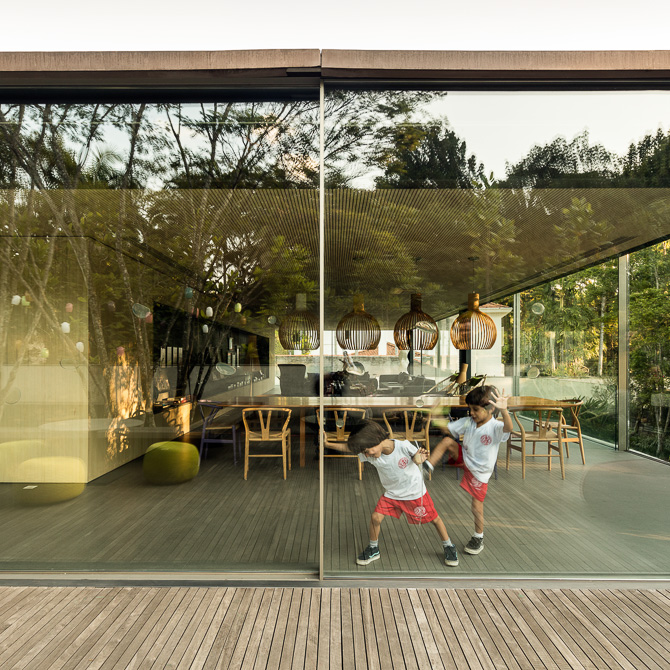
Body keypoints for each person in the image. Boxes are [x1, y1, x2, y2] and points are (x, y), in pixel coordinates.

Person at [328, 420, 459, 567]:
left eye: (366, 451)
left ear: (375, 441)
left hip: (414, 493)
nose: (366, 455)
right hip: (392, 494)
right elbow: (349, 448)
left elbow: (417, 458)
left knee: (434, 519)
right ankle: (373, 548)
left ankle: (448, 545)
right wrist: (327, 443)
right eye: (364, 452)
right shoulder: (371, 453)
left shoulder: (403, 446)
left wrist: (419, 458)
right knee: (375, 518)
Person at [424, 385, 512, 556]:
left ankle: (478, 537)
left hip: (479, 472)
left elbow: (508, 429)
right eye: (470, 409)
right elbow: (447, 429)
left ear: (491, 408)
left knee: (476, 506)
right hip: (465, 459)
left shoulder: (495, 427)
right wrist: (435, 416)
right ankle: (427, 467)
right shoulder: (469, 422)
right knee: (447, 441)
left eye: (476, 410)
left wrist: (504, 411)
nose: (471, 413)